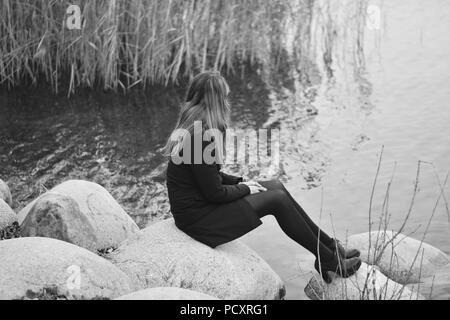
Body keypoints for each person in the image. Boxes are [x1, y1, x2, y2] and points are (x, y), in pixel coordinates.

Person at [163, 71, 361, 283]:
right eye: (225, 97)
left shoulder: (198, 127)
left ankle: (330, 247)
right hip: (199, 220)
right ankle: (329, 260)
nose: (228, 103)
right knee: (277, 201)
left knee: (275, 185)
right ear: (216, 101)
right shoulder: (199, 136)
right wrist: (247, 189)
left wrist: (240, 182)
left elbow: (208, 176)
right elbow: (214, 193)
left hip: (201, 206)